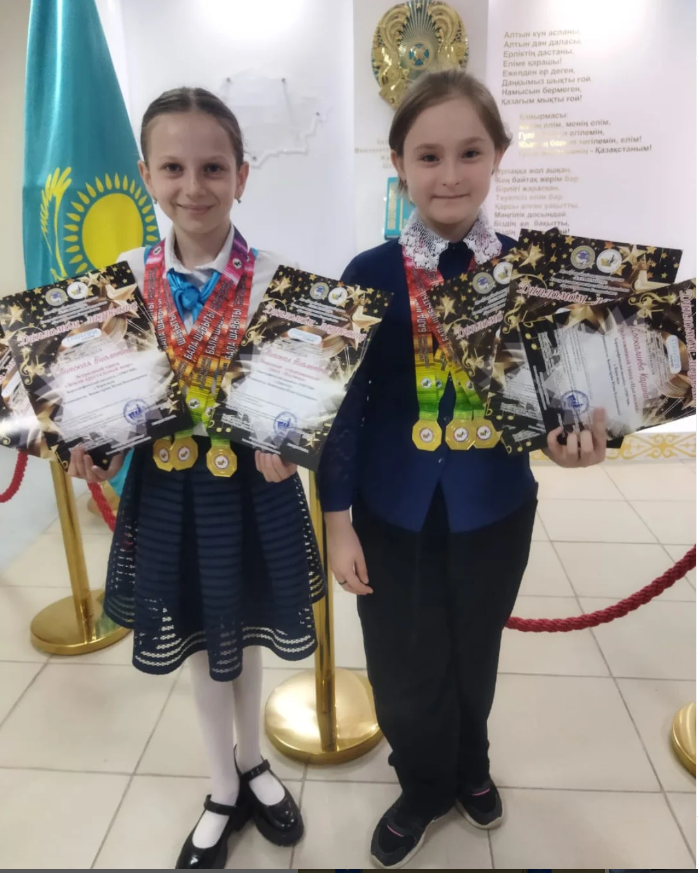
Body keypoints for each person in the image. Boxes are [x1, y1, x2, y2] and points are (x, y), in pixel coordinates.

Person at [319, 69, 608, 870]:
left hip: (494, 506)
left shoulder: (530, 273)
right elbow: (344, 411)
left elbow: (557, 392)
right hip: (391, 509)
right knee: (402, 660)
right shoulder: (369, 273)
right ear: (398, 165)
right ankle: (421, 784)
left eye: (470, 152)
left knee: (474, 647)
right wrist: (337, 521)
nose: (450, 174)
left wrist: (573, 439)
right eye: (429, 155)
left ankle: (470, 764)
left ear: (498, 155)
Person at [68, 87, 324, 869]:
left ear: (241, 175)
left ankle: (253, 762)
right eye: (173, 167)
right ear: (146, 174)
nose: (193, 186)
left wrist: (293, 446)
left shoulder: (280, 282)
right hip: (170, 493)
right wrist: (95, 447)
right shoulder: (120, 283)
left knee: (241, 630)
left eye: (213, 167)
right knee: (196, 639)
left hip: (252, 490)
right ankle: (221, 784)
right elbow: (111, 411)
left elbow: (302, 400)